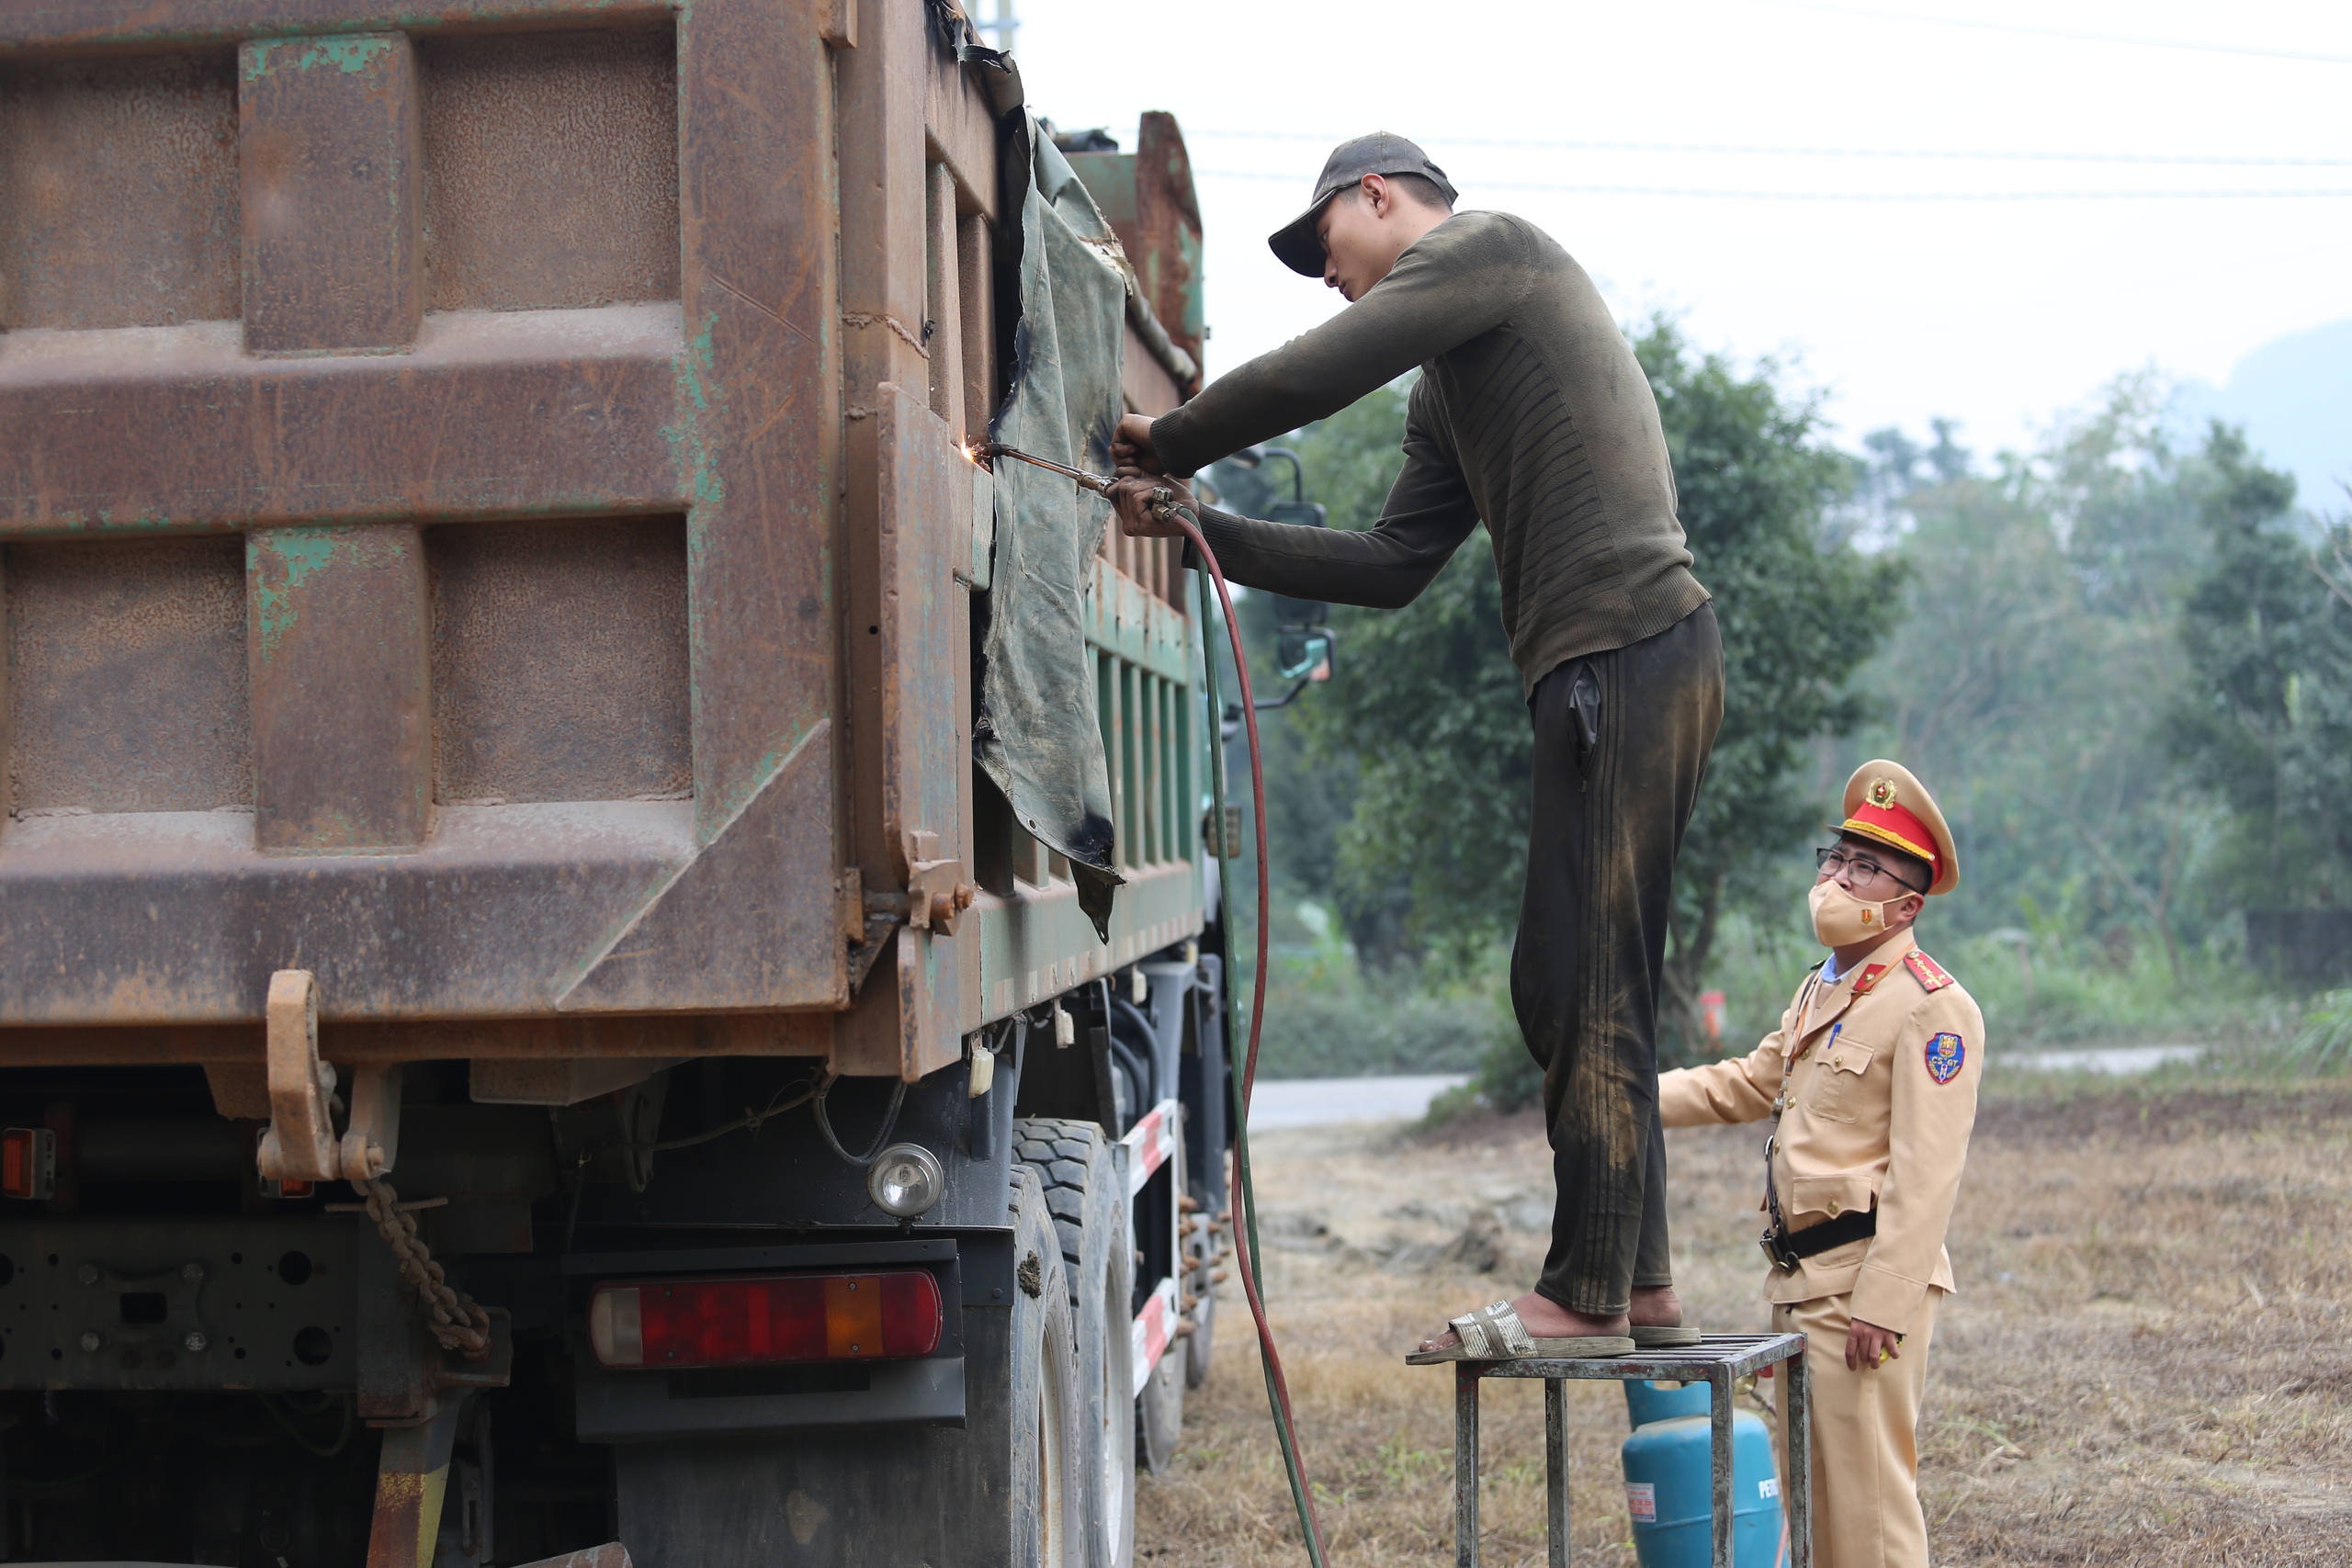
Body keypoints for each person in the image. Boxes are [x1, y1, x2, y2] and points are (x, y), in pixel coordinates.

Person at [1109, 133, 1722, 1358]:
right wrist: (1200, 528)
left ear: (1377, 196)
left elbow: (1317, 374)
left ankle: (1589, 1294)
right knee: (1572, 975)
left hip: (1626, 646)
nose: (1328, 279)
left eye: (1325, 248)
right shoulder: (1449, 388)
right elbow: (1392, 565)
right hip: (1609, 665)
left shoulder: (1490, 251)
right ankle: (1638, 1279)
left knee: (1580, 975)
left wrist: (1168, 440)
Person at [1657, 760, 1983, 1568]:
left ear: (1907, 904)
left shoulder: (1933, 1006)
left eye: (1865, 867)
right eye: (1835, 857)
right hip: (1801, 1283)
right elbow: (1747, 1082)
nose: (1838, 877)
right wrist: (1627, 1094)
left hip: (1861, 1289)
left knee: (1869, 1515)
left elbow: (1927, 1171)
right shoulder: (1823, 990)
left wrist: (1887, 1301)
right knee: (1814, 1509)